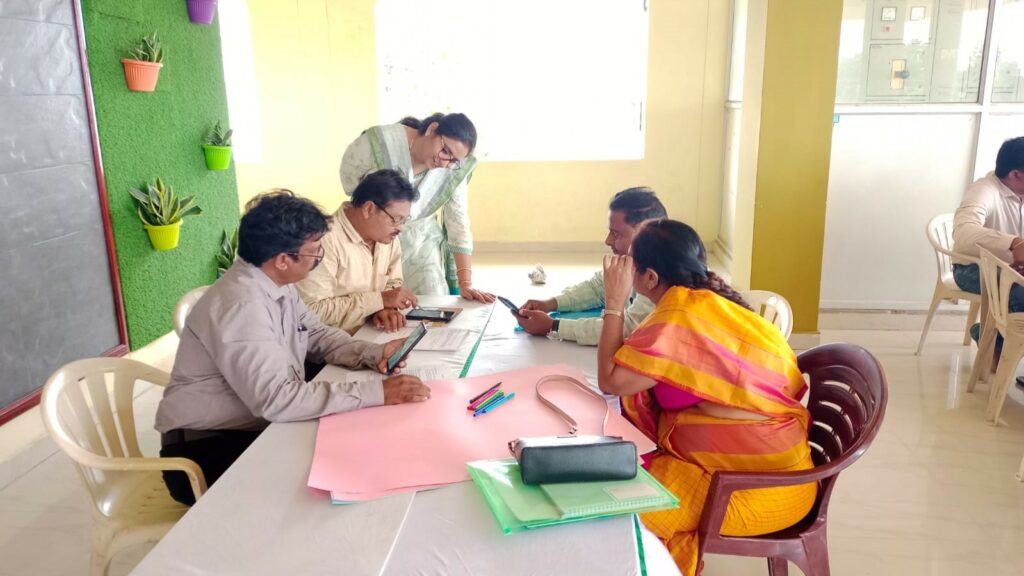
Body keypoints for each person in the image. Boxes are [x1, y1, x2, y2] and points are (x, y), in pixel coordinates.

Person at [156, 190, 431, 506]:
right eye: (315, 253)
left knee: (354, 440)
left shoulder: (275, 283)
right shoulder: (242, 307)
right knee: (338, 475)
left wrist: (372, 353)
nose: (319, 260)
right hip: (205, 450)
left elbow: (317, 335)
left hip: (252, 423)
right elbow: (278, 400)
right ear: (283, 259)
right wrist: (378, 394)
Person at [596, 219, 816, 576]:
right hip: (746, 467)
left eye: (630, 262)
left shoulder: (680, 316)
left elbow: (611, 379)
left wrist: (614, 303)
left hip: (758, 487)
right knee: (612, 483)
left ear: (649, 278)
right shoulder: (713, 303)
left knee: (616, 521)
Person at [340, 112, 494, 303]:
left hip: (422, 243)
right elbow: (355, 195)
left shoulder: (452, 171)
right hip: (375, 242)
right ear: (432, 129)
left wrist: (466, 283)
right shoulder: (378, 142)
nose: (444, 162)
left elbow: (458, 221)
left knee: (432, 305)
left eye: (453, 160)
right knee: (375, 307)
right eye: (445, 150)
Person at [515, 187, 666, 345]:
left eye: (616, 234)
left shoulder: (658, 275)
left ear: (645, 233)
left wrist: (553, 325)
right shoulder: (634, 261)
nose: (607, 241)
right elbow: (597, 287)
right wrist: (549, 304)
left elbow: (629, 328)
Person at [297, 170, 420, 334]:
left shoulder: (387, 238)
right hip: (329, 348)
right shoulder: (323, 240)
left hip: (373, 334)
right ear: (368, 209)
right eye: (396, 219)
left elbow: (393, 285)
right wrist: (379, 301)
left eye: (404, 220)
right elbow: (312, 311)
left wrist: (384, 309)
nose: (401, 228)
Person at [952, 136, 1024, 382]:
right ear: (1015, 174)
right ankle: (991, 335)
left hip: (1013, 270)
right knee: (1019, 294)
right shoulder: (985, 190)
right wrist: (1013, 243)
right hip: (973, 269)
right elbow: (963, 234)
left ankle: (988, 332)